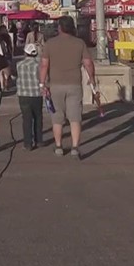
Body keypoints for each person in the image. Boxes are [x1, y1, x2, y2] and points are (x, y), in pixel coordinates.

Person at [39, 15, 94, 160]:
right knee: (75, 117)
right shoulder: (79, 43)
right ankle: (75, 147)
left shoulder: (50, 44)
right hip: (74, 84)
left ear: (59, 27)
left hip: (55, 85)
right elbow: (88, 63)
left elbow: (44, 65)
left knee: (57, 117)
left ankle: (58, 146)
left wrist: (42, 83)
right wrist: (92, 79)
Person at [16, 43, 45, 150]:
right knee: (38, 117)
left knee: (26, 119)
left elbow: (16, 76)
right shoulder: (39, 65)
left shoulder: (19, 64)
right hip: (37, 94)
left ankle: (28, 143)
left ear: (25, 53)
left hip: (23, 94)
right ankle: (39, 140)